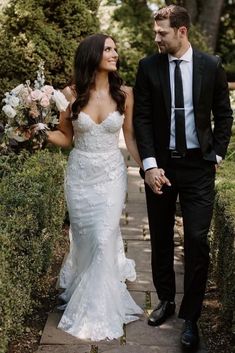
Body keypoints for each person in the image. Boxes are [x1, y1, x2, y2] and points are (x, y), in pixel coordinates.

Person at [133, 5, 233, 350]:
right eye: (155, 32)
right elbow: (142, 118)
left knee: (196, 239)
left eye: (162, 32)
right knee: (160, 237)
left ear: (182, 31)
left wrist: (216, 153)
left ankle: (191, 317)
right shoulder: (148, 67)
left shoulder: (210, 66)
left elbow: (223, 113)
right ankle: (165, 301)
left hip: (198, 168)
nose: (156, 37)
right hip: (161, 167)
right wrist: (149, 165)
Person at [43, 34, 143, 341]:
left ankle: (96, 310)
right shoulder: (70, 94)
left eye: (115, 48)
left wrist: (147, 167)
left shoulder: (125, 93)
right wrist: (38, 132)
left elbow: (130, 138)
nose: (115, 54)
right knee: (86, 240)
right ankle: (82, 285)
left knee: (102, 237)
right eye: (109, 49)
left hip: (112, 174)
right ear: (92, 55)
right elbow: (65, 137)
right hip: (80, 175)